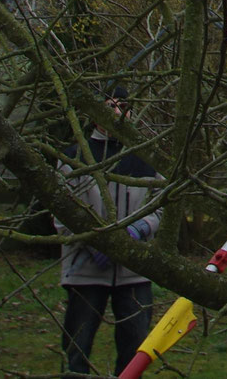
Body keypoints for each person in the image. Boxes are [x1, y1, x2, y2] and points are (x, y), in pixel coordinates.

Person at [58, 86, 162, 377]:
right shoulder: (74, 156)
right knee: (77, 346)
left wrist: (139, 230)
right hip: (86, 269)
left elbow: (164, 205)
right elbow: (64, 212)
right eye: (109, 105)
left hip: (135, 268)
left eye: (122, 105)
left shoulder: (147, 155)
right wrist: (97, 244)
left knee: (135, 347)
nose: (117, 112)